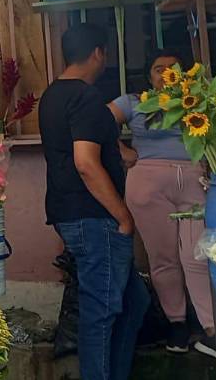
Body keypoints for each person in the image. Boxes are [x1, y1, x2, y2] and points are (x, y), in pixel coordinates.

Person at [39, 24, 150, 380]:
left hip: (69, 211)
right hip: (94, 215)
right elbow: (85, 163)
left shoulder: (53, 95)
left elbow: (82, 141)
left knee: (134, 302)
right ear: (99, 53)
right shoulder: (85, 97)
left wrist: (121, 152)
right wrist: (123, 216)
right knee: (100, 312)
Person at [108, 50, 215, 357]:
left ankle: (210, 327)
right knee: (163, 259)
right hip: (148, 184)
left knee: (197, 255)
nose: (167, 73)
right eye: (159, 69)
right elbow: (96, 122)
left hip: (195, 179)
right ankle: (177, 324)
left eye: (173, 68)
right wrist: (122, 151)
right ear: (149, 75)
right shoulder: (134, 101)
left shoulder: (199, 99)